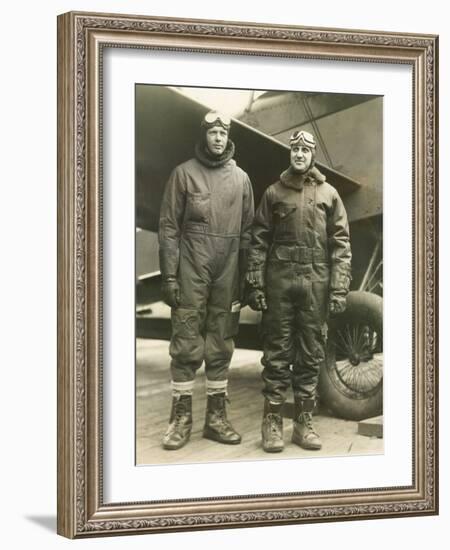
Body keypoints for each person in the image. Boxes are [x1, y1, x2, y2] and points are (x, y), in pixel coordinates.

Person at [246, 130, 351, 453]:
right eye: (295, 150)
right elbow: (258, 240)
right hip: (280, 284)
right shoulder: (274, 193)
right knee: (276, 354)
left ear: (313, 154)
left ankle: (304, 422)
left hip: (316, 285)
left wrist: (338, 289)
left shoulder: (330, 195)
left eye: (305, 150)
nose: (300, 155)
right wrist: (255, 283)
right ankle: (272, 422)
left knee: (310, 354)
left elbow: (341, 245)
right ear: (290, 154)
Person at [158, 110, 254, 450]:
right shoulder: (183, 174)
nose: (217, 138)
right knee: (186, 340)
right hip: (191, 271)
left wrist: (247, 278)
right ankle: (180, 419)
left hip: (227, 273)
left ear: (228, 137)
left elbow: (247, 234)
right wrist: (170, 275)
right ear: (204, 136)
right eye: (212, 132)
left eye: (222, 133)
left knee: (221, 340)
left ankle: (216, 418)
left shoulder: (242, 179)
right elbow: (169, 228)